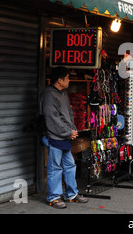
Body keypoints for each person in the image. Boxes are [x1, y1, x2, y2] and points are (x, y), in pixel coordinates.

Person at [39, 67, 88, 208]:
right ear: (59, 80)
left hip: (64, 136)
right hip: (54, 136)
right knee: (55, 167)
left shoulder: (63, 93)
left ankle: (71, 194)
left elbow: (69, 113)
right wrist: (68, 132)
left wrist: (72, 129)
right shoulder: (49, 95)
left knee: (70, 165)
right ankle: (53, 197)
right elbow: (52, 119)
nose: (69, 80)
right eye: (67, 77)